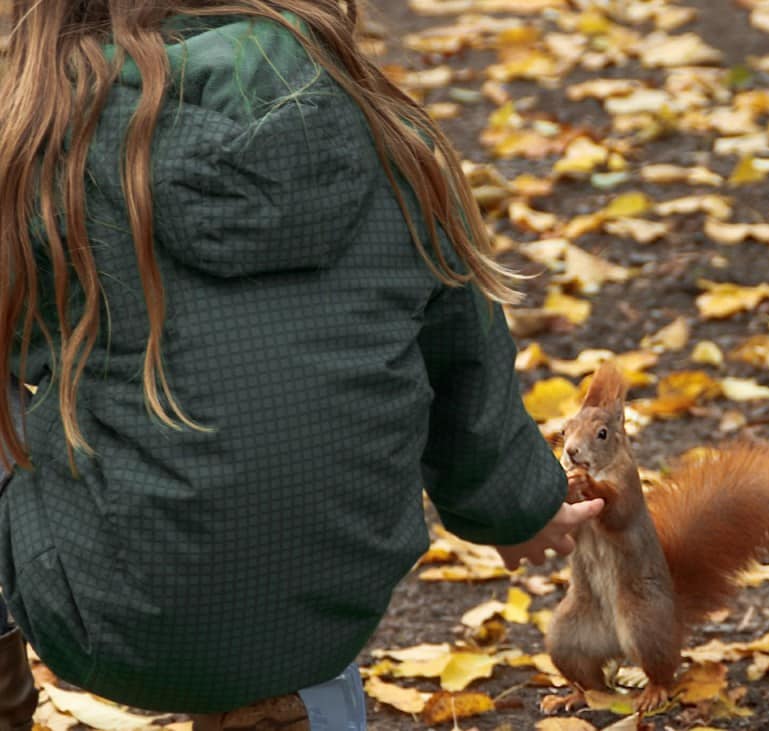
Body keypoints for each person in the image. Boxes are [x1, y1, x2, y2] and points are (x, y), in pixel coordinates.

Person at [0, 1, 604, 728]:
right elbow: (464, 355)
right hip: (331, 604)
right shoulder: (372, 122)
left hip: (101, 617)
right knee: (305, 396)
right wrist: (514, 507)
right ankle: (297, 707)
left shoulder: (40, 137)